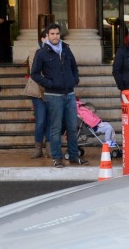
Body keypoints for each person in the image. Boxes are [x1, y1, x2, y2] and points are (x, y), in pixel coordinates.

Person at [30, 22, 87, 168]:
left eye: (57, 34)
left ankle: (74, 155)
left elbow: (74, 67)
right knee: (55, 128)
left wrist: (75, 80)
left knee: (72, 126)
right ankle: (57, 157)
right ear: (47, 36)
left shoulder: (66, 49)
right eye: (52, 34)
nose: (55, 36)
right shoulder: (42, 53)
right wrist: (49, 83)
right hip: (53, 95)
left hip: (69, 93)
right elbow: (35, 74)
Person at [26, 25, 50, 160]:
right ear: (42, 38)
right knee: (41, 120)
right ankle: (38, 148)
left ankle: (50, 148)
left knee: (51, 121)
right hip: (37, 91)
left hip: (53, 91)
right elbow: (35, 72)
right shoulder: (35, 51)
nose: (53, 38)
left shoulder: (57, 50)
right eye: (49, 36)